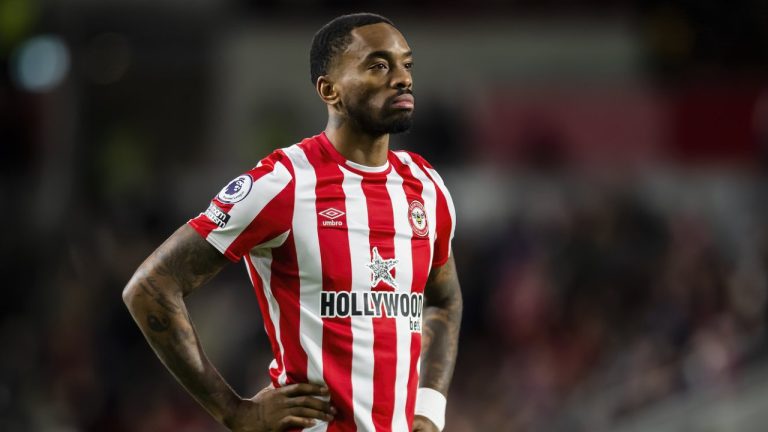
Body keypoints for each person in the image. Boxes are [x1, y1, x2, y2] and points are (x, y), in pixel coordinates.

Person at [122, 12, 462, 432]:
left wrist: (429, 410)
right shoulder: (283, 183)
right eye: (378, 65)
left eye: (406, 65)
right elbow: (150, 287)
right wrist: (234, 411)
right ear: (329, 90)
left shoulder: (425, 186)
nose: (402, 78)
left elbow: (444, 300)